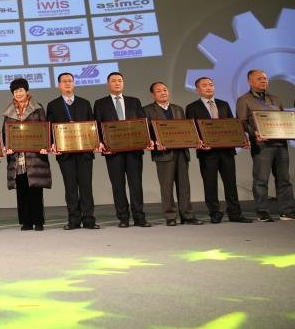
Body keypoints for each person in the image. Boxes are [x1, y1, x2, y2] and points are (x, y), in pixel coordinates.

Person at [185, 77, 252, 224]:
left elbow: (233, 125)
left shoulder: (223, 104)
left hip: (227, 151)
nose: (209, 87)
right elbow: (192, 130)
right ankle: (215, 213)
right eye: (204, 85)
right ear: (197, 90)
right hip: (207, 152)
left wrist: (241, 139)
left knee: (231, 183)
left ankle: (235, 213)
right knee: (210, 184)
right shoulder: (192, 107)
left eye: (211, 85)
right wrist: (198, 143)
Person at [94, 72, 153, 228]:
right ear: (108, 84)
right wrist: (101, 143)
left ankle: (139, 217)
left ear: (123, 83)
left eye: (120, 80)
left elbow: (142, 124)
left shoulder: (134, 101)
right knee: (118, 185)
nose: (117, 83)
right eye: (113, 81)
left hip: (134, 150)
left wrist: (146, 140)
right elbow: (98, 127)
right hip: (113, 152)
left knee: (136, 184)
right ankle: (123, 218)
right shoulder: (100, 103)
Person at [235, 69, 295, 222]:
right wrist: (254, 132)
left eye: (265, 79)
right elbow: (241, 122)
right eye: (260, 79)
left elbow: (284, 119)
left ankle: (287, 211)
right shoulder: (244, 100)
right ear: (250, 82)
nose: (264, 81)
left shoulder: (275, 99)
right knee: (261, 179)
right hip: (262, 145)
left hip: (281, 144)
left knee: (284, 179)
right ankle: (262, 211)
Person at [143, 82, 203, 226]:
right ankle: (170, 216)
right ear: (153, 94)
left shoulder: (178, 109)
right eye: (159, 91)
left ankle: (187, 215)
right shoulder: (147, 110)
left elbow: (186, 129)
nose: (163, 92)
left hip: (181, 152)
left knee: (184, 186)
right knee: (167, 186)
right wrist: (152, 142)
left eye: (165, 90)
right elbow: (145, 132)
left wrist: (194, 140)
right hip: (163, 154)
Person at [45, 73, 99, 230]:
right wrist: (52, 144)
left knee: (86, 186)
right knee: (70, 187)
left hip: (84, 152)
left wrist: (95, 142)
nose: (67, 83)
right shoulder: (53, 105)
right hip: (65, 154)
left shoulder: (84, 103)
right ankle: (74, 220)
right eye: (64, 81)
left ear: (74, 83)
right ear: (59, 85)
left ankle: (89, 219)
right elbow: (50, 128)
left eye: (70, 81)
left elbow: (92, 125)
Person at [2, 78, 50, 231]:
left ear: (27, 91)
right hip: (17, 157)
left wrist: (45, 146)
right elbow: (5, 133)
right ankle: (26, 222)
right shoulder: (9, 111)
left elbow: (45, 129)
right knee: (22, 189)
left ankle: (38, 221)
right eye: (15, 91)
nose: (18, 93)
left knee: (35, 189)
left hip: (35, 156)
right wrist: (7, 147)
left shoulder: (37, 108)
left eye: (21, 90)